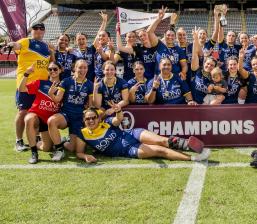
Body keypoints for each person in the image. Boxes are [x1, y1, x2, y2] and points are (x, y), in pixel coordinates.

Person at [76, 106, 210, 163]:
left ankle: (194, 146)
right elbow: (78, 152)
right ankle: (193, 159)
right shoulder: (83, 134)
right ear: (84, 121)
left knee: (162, 141)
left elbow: (118, 120)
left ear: (98, 118)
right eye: (88, 119)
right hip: (127, 150)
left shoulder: (106, 122)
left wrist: (118, 111)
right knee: (160, 151)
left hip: (132, 134)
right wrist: (85, 156)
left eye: (93, 117)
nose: (91, 120)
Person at [7, 22, 53, 152]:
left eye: (41, 29)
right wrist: (12, 44)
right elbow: (17, 45)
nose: (38, 31)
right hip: (26, 85)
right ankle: (18, 140)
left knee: (37, 114)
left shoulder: (45, 46)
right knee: (23, 113)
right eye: (35, 29)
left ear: (44, 31)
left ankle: (36, 138)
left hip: (41, 86)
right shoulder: (26, 41)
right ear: (31, 31)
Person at [47, 59, 94, 161]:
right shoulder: (66, 81)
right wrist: (50, 94)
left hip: (78, 118)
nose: (82, 70)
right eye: (80, 67)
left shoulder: (90, 85)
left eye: (85, 67)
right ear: (75, 68)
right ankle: (59, 150)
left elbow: (90, 106)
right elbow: (57, 99)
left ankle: (63, 142)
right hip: (66, 114)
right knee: (52, 121)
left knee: (73, 148)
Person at [19, 62, 62, 164]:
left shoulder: (65, 85)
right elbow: (21, 89)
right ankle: (34, 153)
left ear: (60, 70)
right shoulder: (40, 83)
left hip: (51, 121)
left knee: (47, 148)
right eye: (50, 69)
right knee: (29, 119)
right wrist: (26, 74)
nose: (52, 71)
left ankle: (34, 143)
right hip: (36, 116)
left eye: (55, 69)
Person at [147, 7, 188, 79]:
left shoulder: (179, 49)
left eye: (172, 35)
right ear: (164, 36)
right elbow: (149, 32)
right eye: (168, 35)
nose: (170, 37)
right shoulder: (159, 45)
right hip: (159, 79)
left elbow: (184, 65)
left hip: (174, 79)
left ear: (175, 37)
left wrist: (183, 72)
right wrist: (159, 19)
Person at [73, 11, 109, 81]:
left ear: (86, 40)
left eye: (83, 39)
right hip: (79, 79)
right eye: (79, 39)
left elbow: (98, 35)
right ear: (76, 41)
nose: (81, 41)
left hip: (91, 79)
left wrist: (104, 21)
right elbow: (72, 66)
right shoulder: (73, 52)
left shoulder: (91, 49)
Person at [190, 27, 218, 104]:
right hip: (191, 104)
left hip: (204, 106)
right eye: (208, 64)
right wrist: (195, 39)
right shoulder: (197, 70)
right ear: (204, 63)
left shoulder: (213, 78)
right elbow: (195, 55)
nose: (209, 66)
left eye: (212, 65)